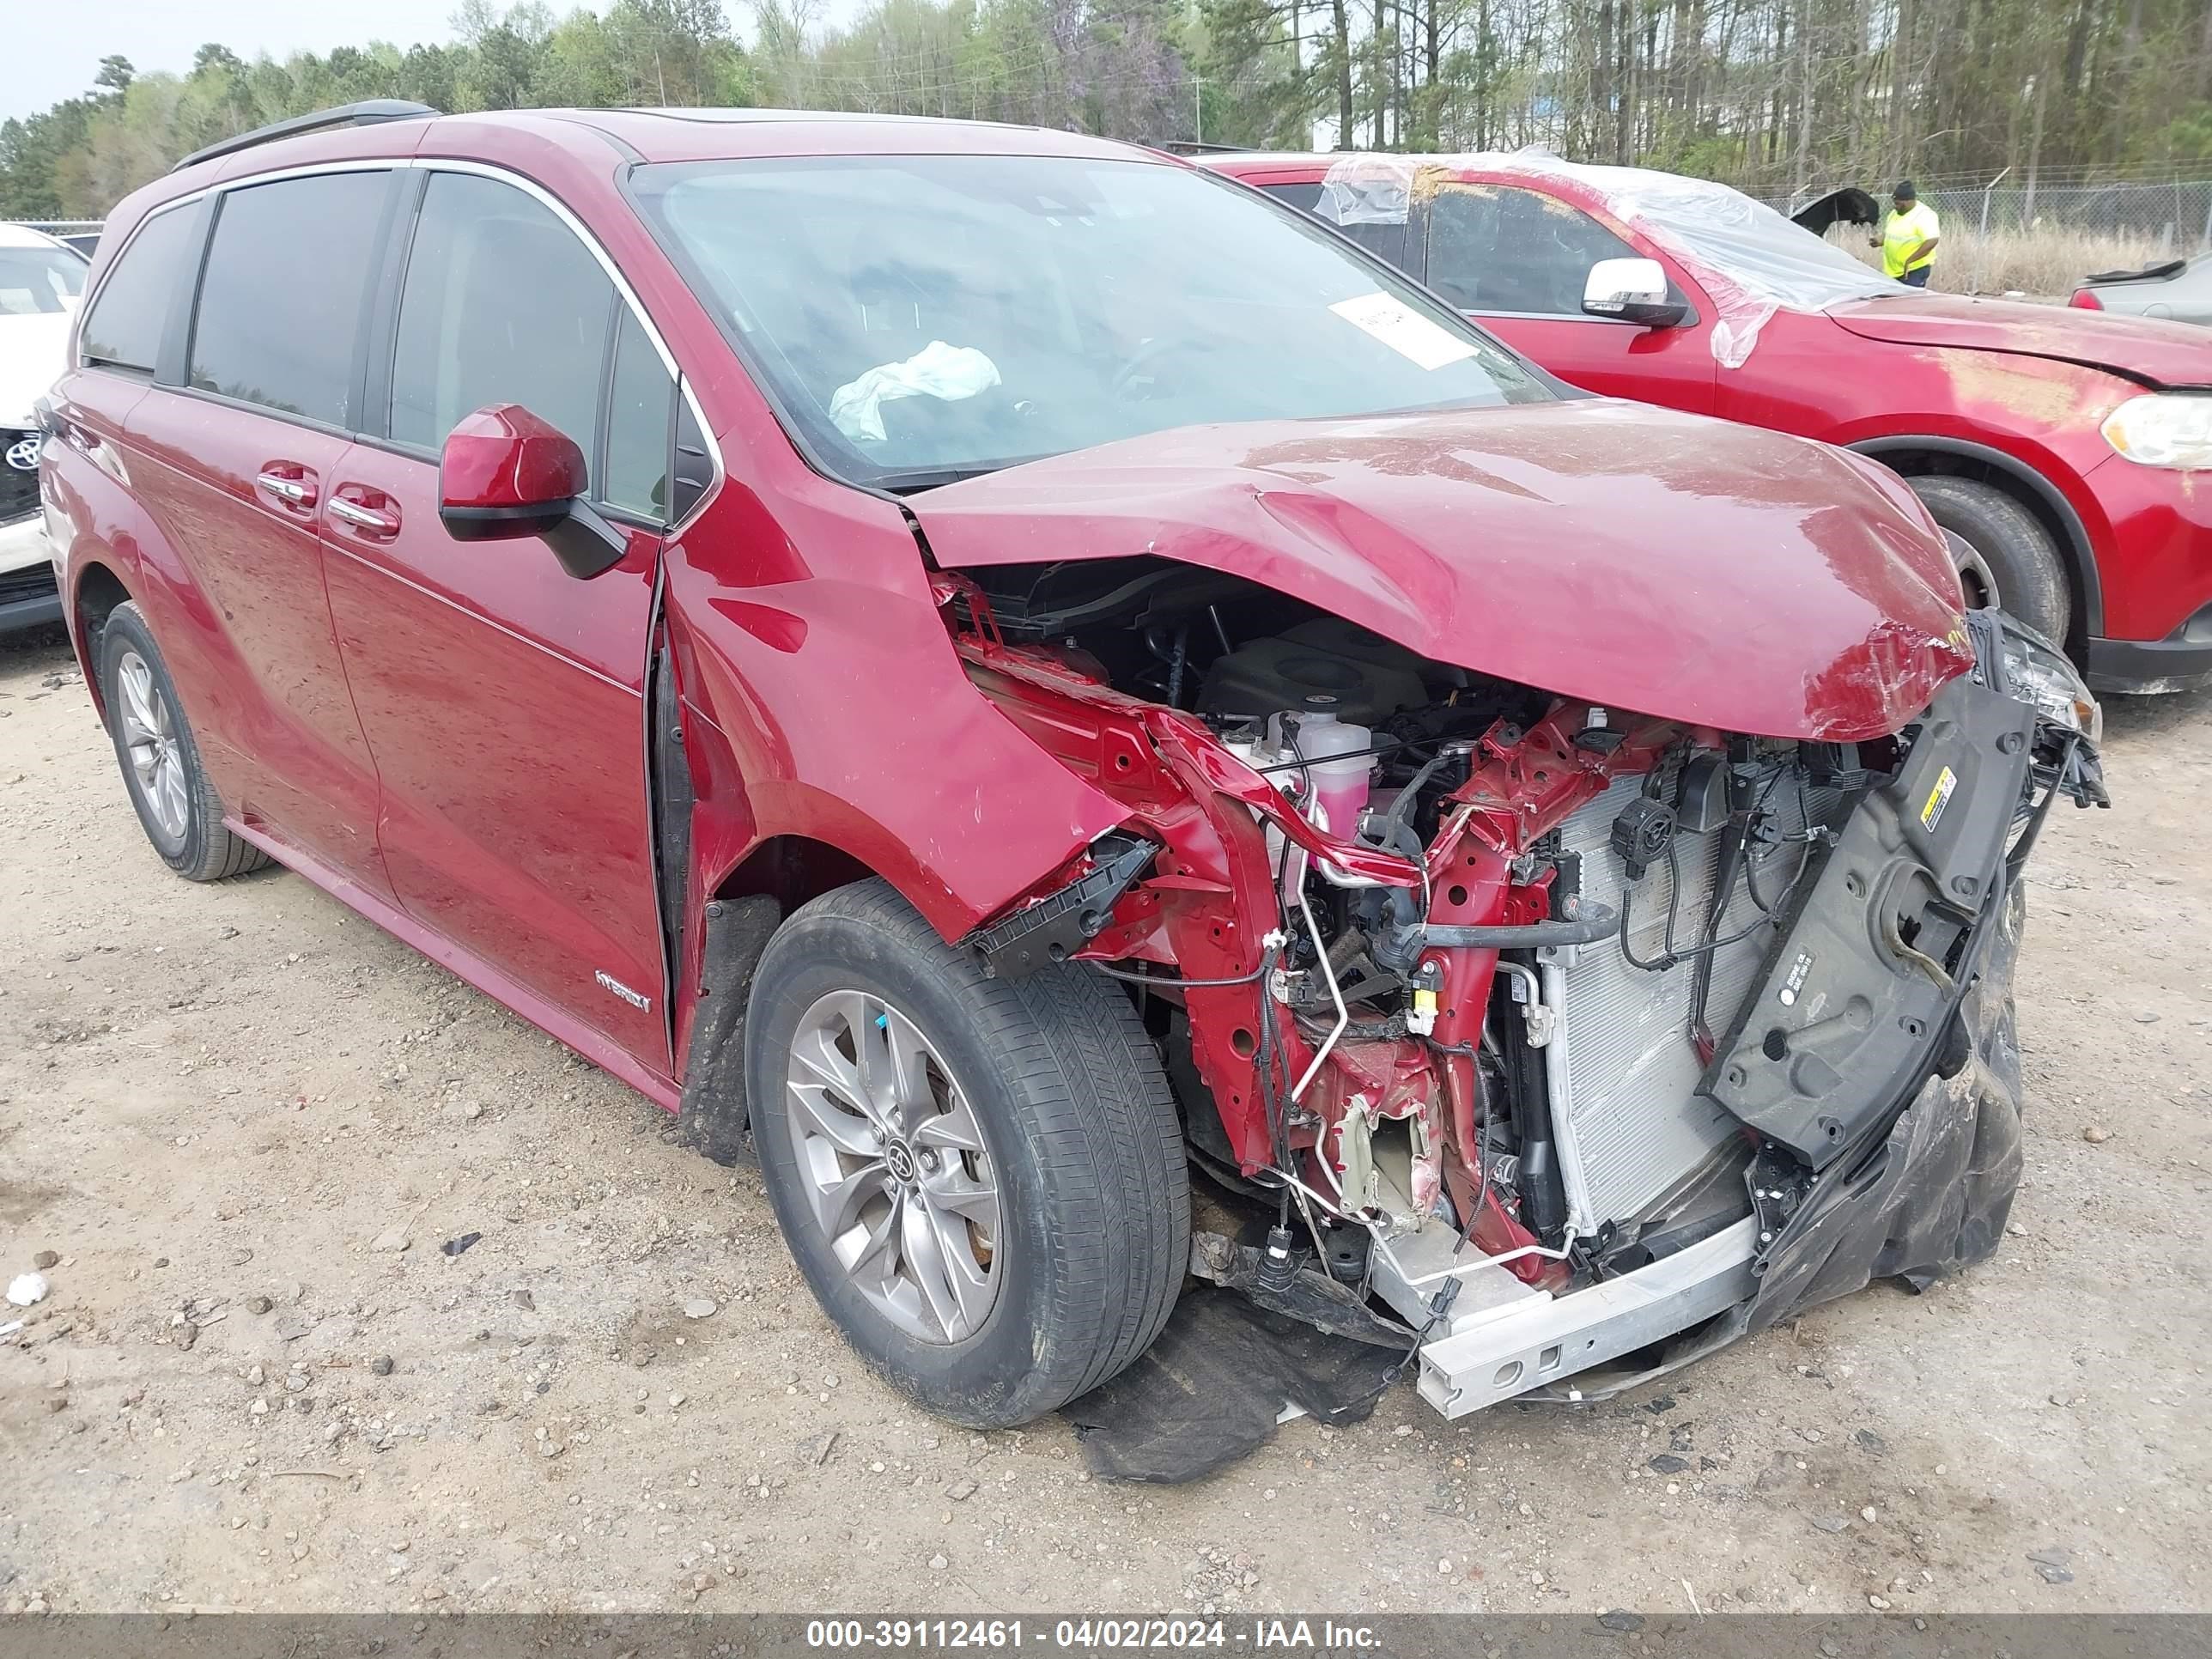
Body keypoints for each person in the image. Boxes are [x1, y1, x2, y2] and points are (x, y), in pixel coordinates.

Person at [1872, 180, 1941, 288]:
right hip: (1893, 270)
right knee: (1891, 302)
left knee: (1908, 302)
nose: (1895, 207)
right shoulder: (1894, 214)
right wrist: (1879, 240)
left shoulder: (1924, 215)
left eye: (1898, 204)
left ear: (1908, 201)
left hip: (1913, 270)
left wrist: (1910, 260)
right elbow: (1890, 234)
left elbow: (1932, 240)